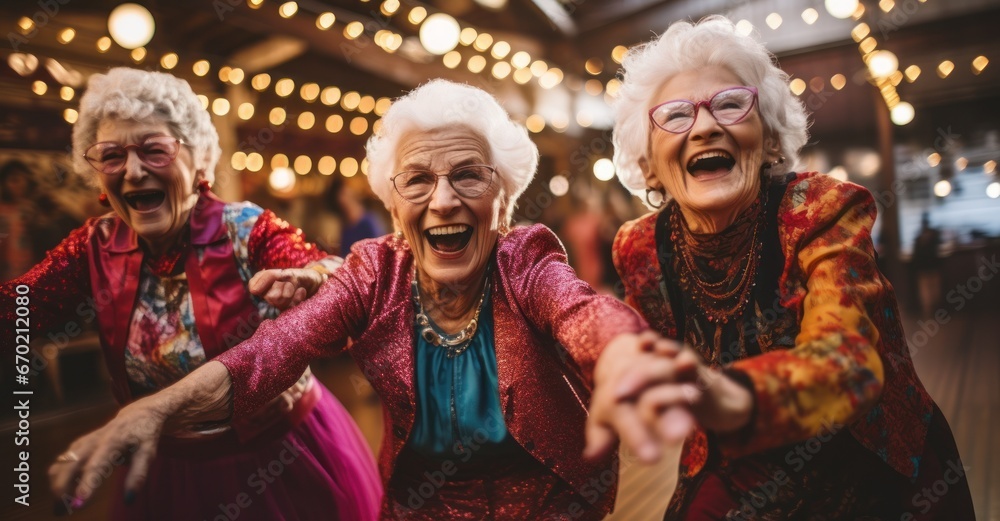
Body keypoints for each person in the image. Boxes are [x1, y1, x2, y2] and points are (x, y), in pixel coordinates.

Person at [46, 79, 672, 520]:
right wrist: (150, 413)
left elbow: (582, 310)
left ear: (503, 200)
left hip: (549, 509)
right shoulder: (377, 272)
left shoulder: (523, 259)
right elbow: (271, 352)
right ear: (394, 206)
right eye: (419, 180)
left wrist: (622, 357)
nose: (444, 200)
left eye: (468, 175)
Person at [585, 17, 975, 520]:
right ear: (648, 164)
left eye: (730, 104)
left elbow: (849, 364)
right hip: (739, 462)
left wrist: (730, 394)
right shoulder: (638, 248)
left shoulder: (820, 210)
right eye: (676, 116)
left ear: (769, 141)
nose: (705, 126)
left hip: (864, 455)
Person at [1, 68, 381, 520]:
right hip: (167, 474)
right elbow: (15, 310)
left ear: (199, 159)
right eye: (112, 155)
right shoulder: (93, 245)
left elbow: (336, 281)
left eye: (154, 150)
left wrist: (318, 278)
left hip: (283, 460)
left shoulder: (243, 227)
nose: (134, 170)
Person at [912, 211, 943, 318]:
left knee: (926, 291)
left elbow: (915, 254)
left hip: (923, 267)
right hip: (933, 266)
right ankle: (935, 309)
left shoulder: (918, 237)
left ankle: (928, 311)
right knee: (933, 289)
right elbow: (939, 246)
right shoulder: (934, 235)